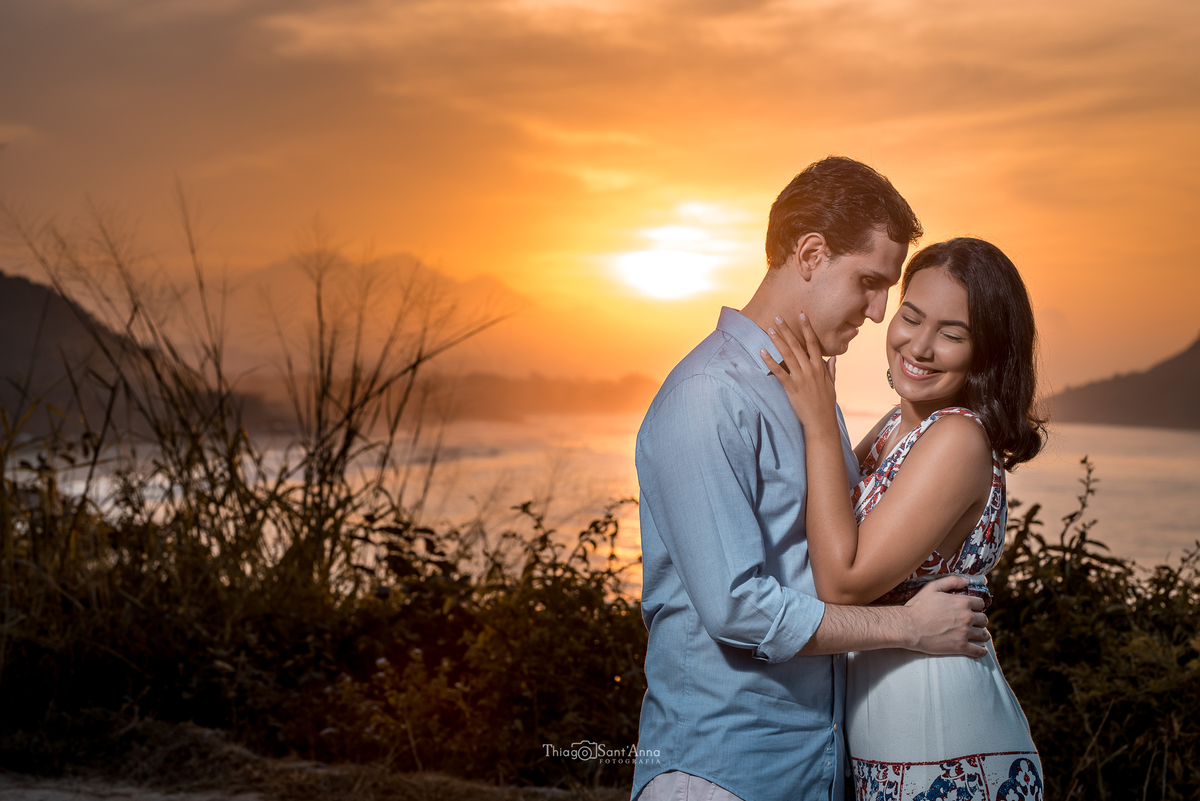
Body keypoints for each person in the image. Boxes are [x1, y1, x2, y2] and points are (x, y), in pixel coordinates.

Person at [632, 158, 990, 801]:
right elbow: (738, 608)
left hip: (815, 770)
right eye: (869, 282)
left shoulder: (804, 396)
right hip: (720, 773)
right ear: (811, 253)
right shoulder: (708, 397)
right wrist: (908, 628)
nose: (880, 312)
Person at [762, 237, 1046, 800]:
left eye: (952, 333)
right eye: (910, 317)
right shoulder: (898, 428)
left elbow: (842, 582)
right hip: (887, 747)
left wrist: (821, 422)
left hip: (946, 749)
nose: (919, 345)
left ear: (984, 351)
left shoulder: (957, 438)